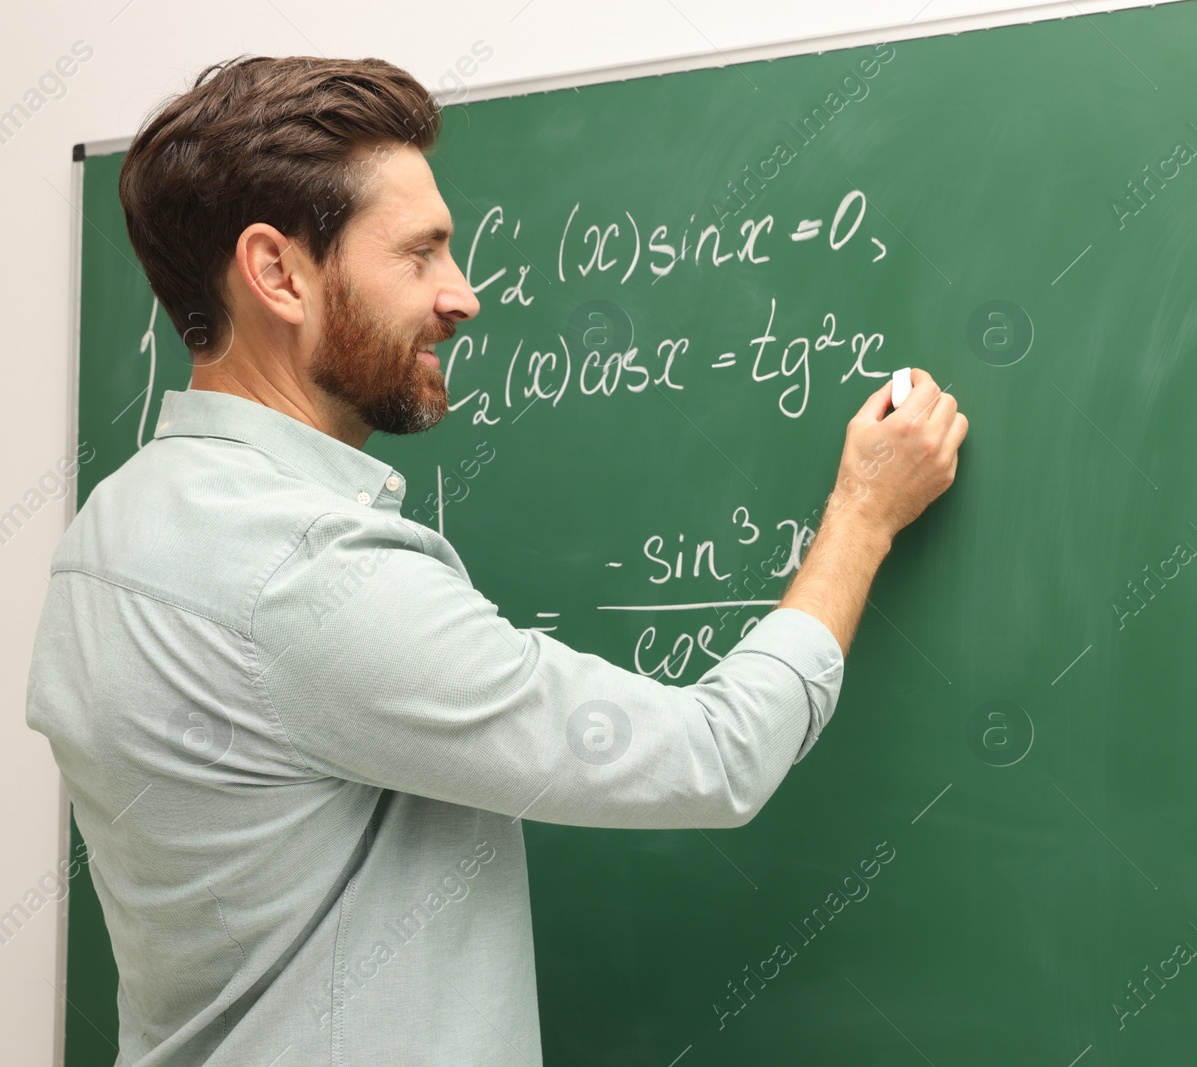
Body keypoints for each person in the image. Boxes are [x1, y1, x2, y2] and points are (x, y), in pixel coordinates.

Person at [26, 55, 967, 1065]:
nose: (462, 296)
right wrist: (862, 515)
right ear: (277, 272)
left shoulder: (104, 533)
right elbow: (714, 757)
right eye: (421, 252)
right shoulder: (305, 568)